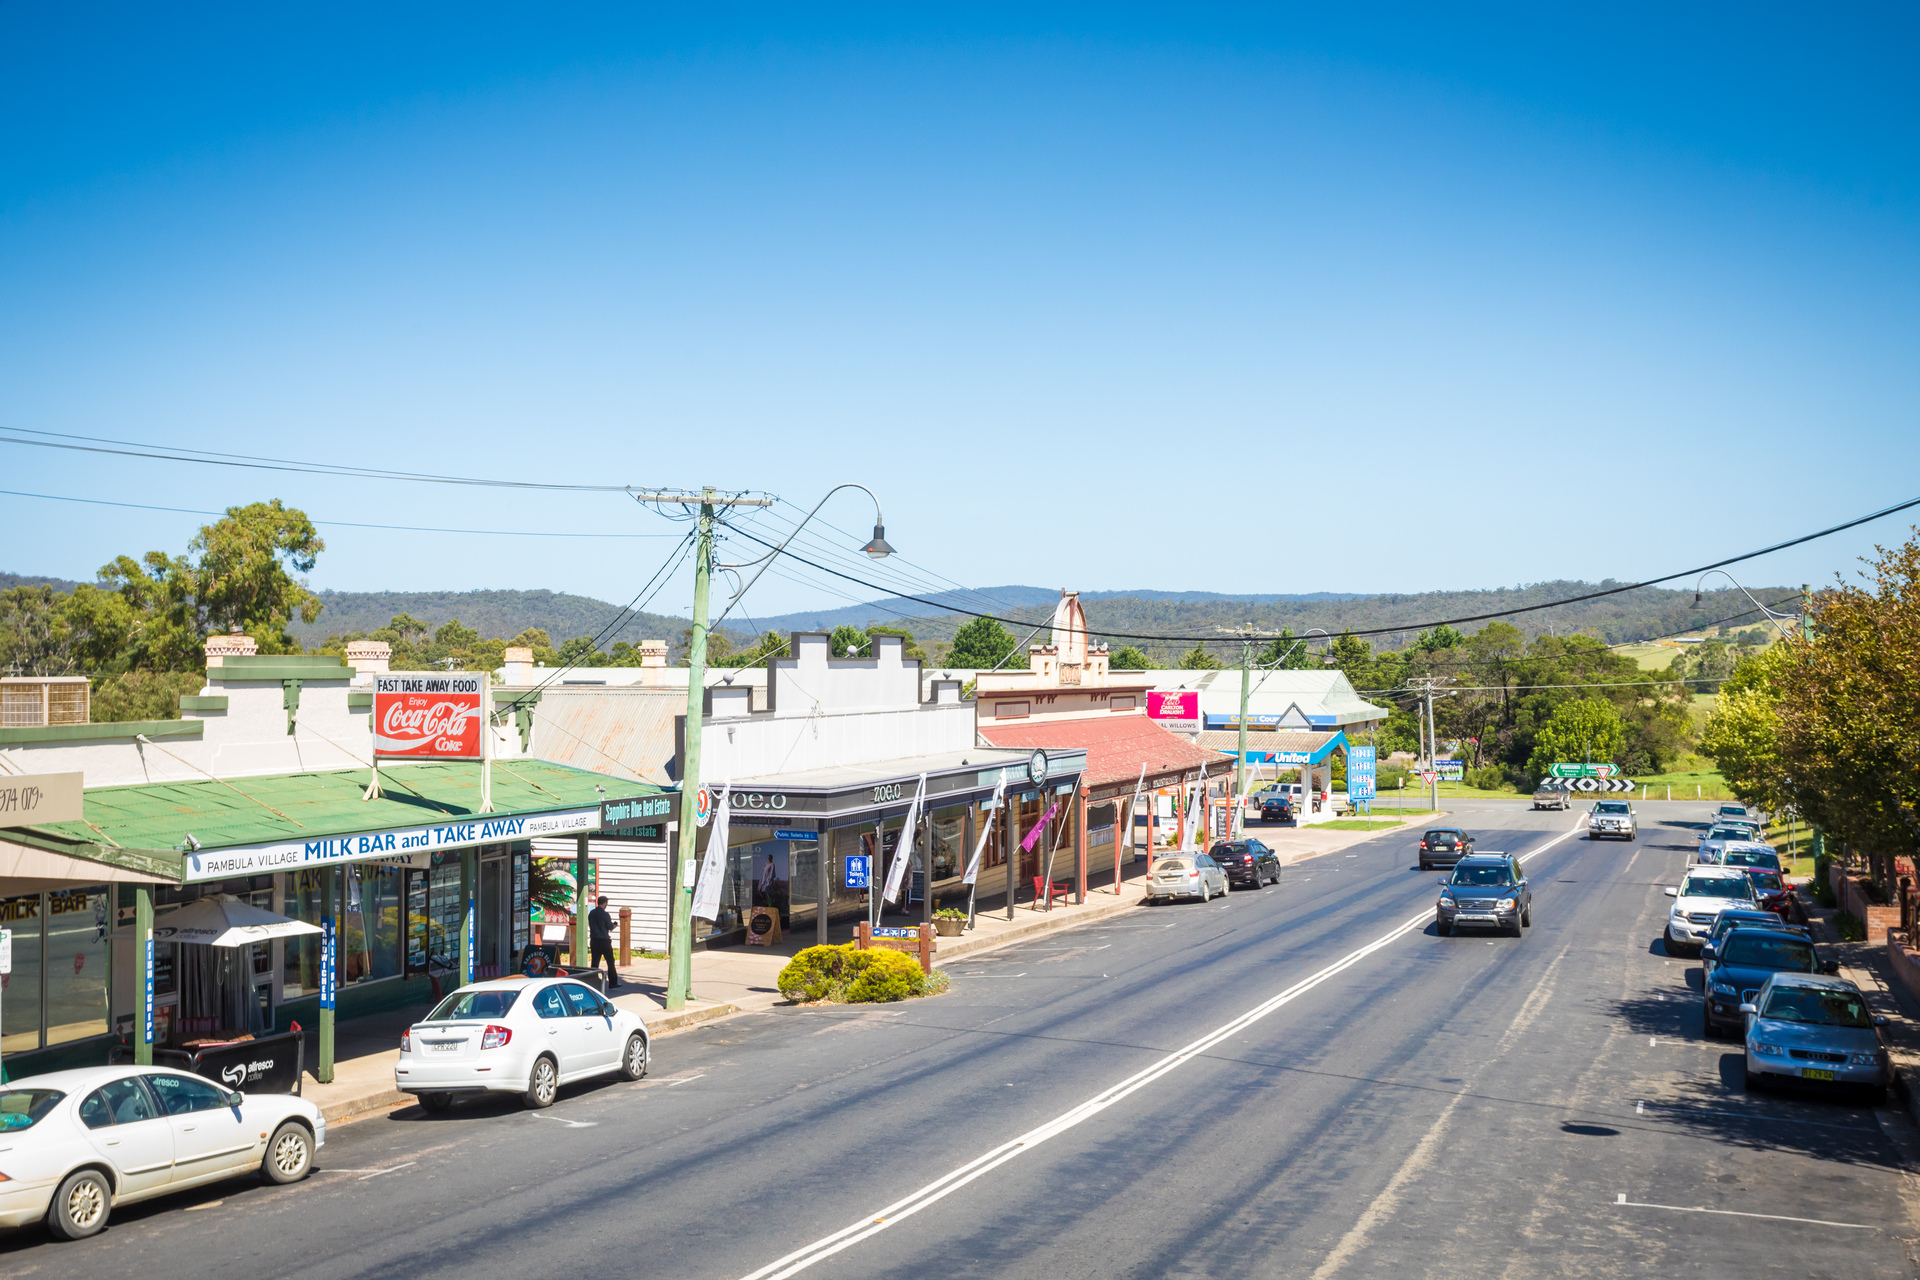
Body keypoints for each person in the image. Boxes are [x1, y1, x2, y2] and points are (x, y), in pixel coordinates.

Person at [588, 895, 620, 989]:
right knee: (610, 961)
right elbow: (609, 927)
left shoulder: (591, 913)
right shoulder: (605, 914)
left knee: (595, 961)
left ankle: (592, 981)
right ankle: (613, 982)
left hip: (594, 940)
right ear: (605, 903)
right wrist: (614, 926)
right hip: (604, 940)